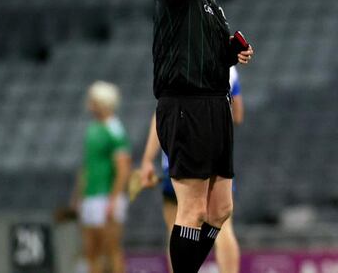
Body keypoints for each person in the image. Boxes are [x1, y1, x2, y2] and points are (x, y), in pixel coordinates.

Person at [151, 0, 253, 273]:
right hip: (185, 106)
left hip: (214, 106)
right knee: (191, 210)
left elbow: (207, 57)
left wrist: (231, 52)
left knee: (221, 208)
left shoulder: (211, 3)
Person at [140, 66, 244, 273]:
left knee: (177, 224)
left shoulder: (181, 61)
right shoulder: (228, 68)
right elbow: (238, 115)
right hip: (216, 152)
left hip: (180, 154)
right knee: (222, 225)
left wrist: (147, 160)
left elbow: (161, 115)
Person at [77, 81, 132, 273]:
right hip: (91, 196)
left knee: (111, 250)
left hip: (107, 197)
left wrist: (114, 199)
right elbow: (87, 166)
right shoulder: (93, 128)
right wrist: (79, 196)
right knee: (91, 251)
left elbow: (123, 168)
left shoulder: (114, 129)